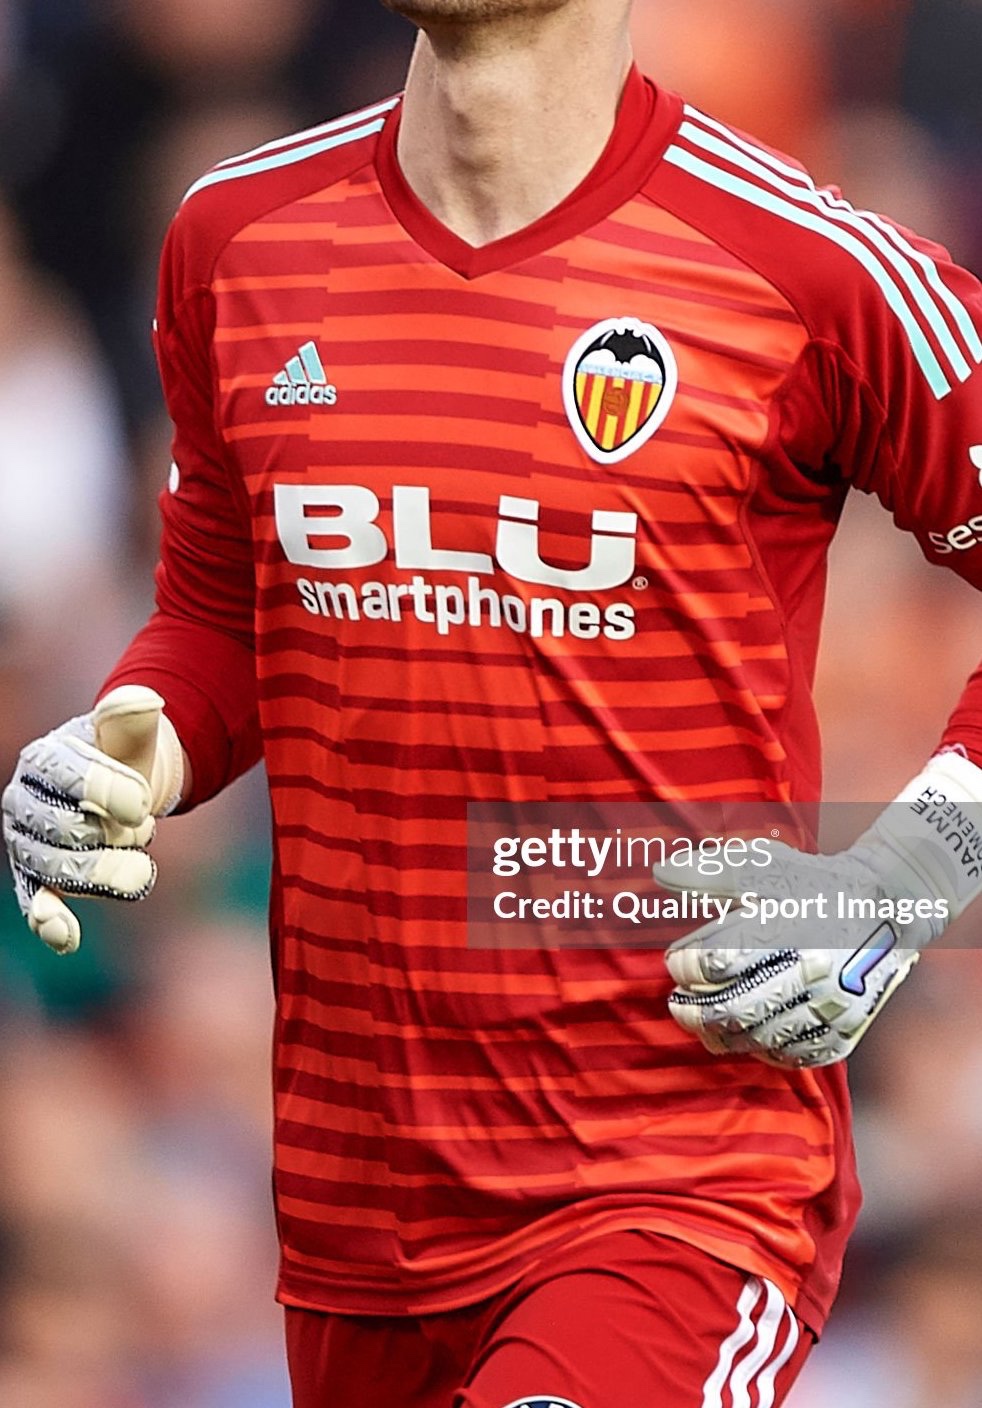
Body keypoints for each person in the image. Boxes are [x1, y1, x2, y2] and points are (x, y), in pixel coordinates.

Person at [5, 1, 982, 1404]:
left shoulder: (807, 266)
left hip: (672, 1189)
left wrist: (896, 876)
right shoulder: (238, 236)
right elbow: (219, 617)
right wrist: (132, 741)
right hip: (354, 1212)